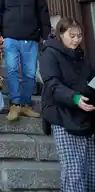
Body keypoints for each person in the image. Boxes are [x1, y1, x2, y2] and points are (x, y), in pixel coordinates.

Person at [0, 0, 51, 121]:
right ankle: (15, 104)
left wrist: (46, 34)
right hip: (10, 38)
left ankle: (25, 104)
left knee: (30, 73)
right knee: (11, 70)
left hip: (30, 38)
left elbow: (43, 12)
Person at [40, 18, 95, 192]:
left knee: (89, 172)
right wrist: (74, 98)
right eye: (72, 36)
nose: (76, 40)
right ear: (60, 34)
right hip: (62, 116)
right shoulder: (49, 54)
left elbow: (89, 81)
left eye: (79, 36)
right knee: (74, 171)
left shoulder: (81, 56)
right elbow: (52, 84)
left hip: (85, 117)